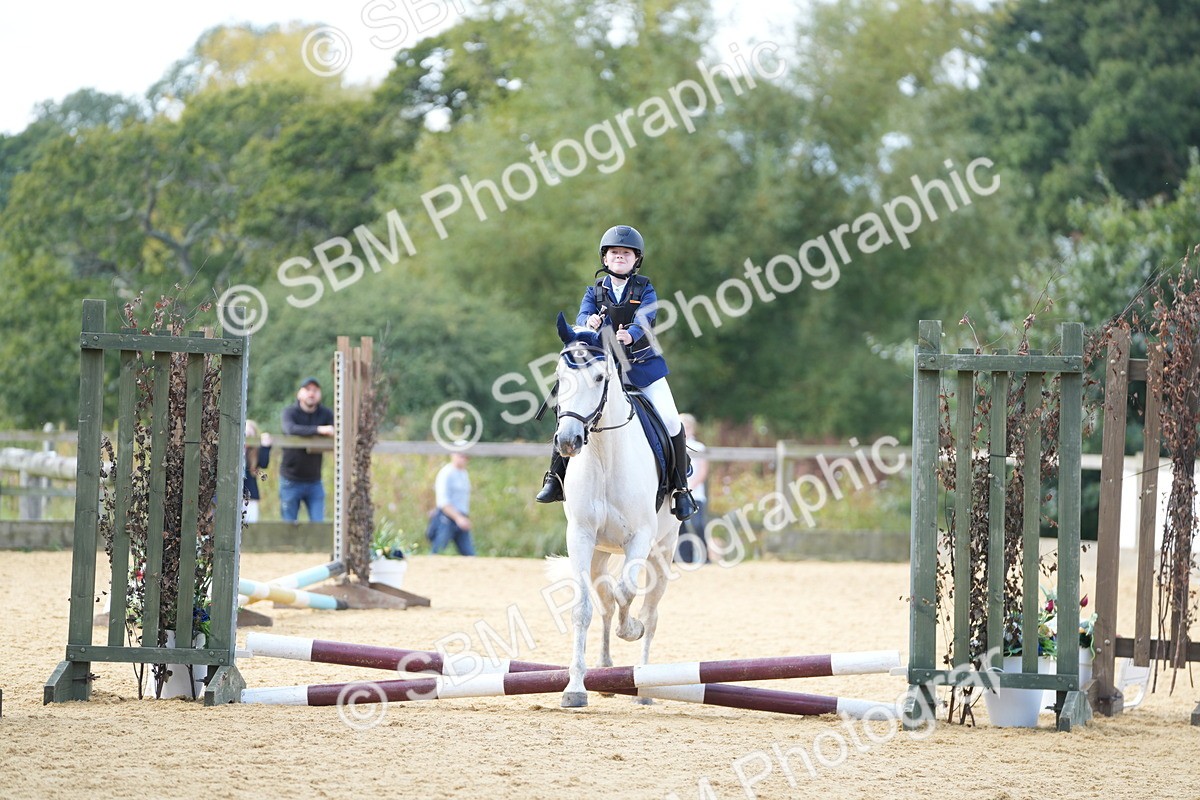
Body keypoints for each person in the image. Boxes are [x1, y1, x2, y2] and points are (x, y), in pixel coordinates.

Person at [534, 224, 698, 521]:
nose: (619, 257)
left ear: (636, 260)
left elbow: (648, 316)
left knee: (672, 419)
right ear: (605, 259)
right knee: (569, 412)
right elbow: (582, 317)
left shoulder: (644, 288)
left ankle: (681, 490)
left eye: (626, 253)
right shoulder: (593, 292)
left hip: (641, 367)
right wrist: (588, 322)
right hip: (601, 369)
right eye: (614, 253)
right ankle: (554, 479)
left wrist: (631, 333)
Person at [279, 376, 334, 522]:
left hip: (315, 480)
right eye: (307, 389)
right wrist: (319, 430)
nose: (311, 393)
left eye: (315, 390)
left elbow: (337, 429)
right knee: (288, 526)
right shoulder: (289, 412)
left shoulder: (326, 414)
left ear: (320, 394)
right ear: (299, 394)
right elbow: (290, 429)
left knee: (318, 524)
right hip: (290, 479)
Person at [674, 413, 709, 564]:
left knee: (697, 525)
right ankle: (684, 557)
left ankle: (704, 557)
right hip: (678, 493)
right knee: (680, 528)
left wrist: (690, 487)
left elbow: (702, 471)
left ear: (693, 429)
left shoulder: (698, 447)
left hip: (695, 494)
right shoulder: (675, 446)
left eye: (687, 427)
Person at [428, 450, 476, 555]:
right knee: (438, 552)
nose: (464, 459)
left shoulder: (463, 473)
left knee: (470, 555)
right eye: (461, 455)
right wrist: (458, 518)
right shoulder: (446, 473)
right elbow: (443, 501)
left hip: (461, 517)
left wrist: (462, 518)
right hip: (446, 518)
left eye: (466, 456)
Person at [242, 420, 272, 524]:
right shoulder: (234, 451)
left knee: (250, 526)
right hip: (232, 496)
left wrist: (266, 447)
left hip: (251, 495)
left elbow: (264, 463)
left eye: (250, 435)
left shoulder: (254, 453)